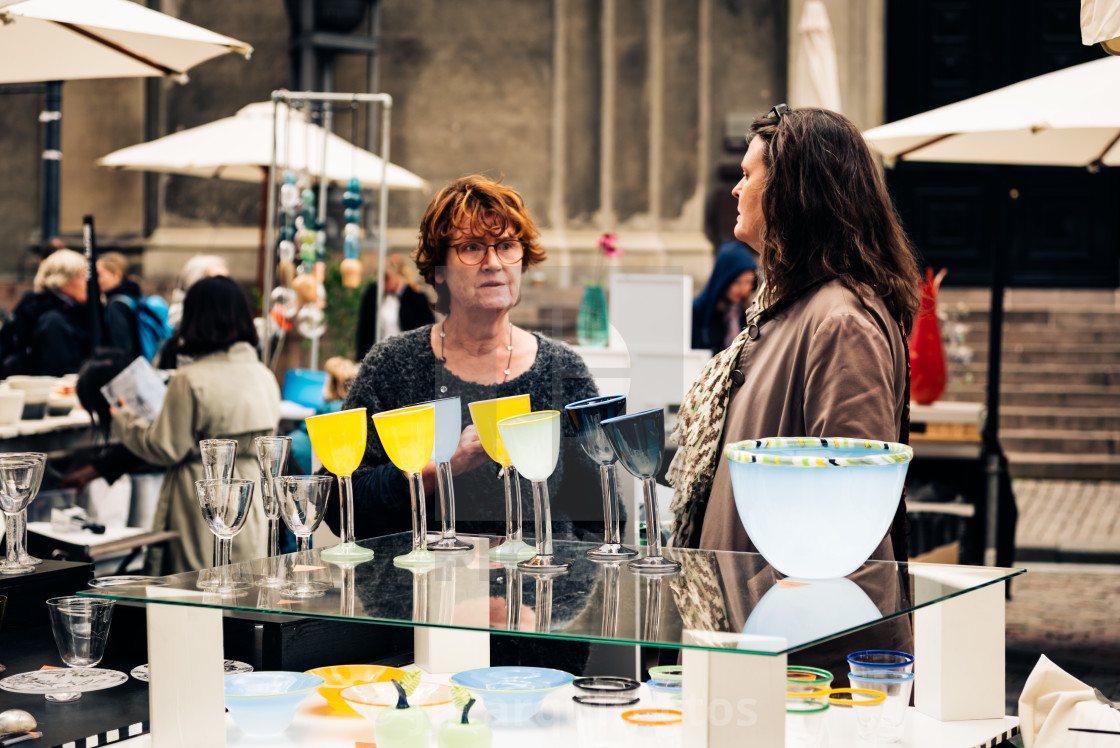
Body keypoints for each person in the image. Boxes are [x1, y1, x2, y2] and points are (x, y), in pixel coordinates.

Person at [667, 106, 922, 675]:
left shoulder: (842, 320)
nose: (735, 188)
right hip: (757, 633)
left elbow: (848, 506)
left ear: (794, 192)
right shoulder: (786, 308)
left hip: (809, 653)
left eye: (749, 174)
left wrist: (768, 627)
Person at [326, 174, 603, 545]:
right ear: (439, 269)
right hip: (419, 595)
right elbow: (340, 505)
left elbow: (598, 521)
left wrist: (545, 600)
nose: (493, 262)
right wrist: (439, 467)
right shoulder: (391, 366)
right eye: (472, 247)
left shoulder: (563, 370)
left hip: (534, 595)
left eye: (506, 245)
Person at [112, 276, 281, 575]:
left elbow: (165, 448)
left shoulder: (189, 379)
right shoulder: (263, 374)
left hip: (201, 495)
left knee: (198, 591)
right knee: (246, 586)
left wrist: (124, 419)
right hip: (251, 494)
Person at [0, 248, 91, 377]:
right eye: (81, 276)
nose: (88, 283)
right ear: (63, 281)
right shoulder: (53, 320)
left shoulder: (66, 310)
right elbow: (61, 372)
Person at [355, 253, 435, 358]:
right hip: (378, 355)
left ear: (398, 275)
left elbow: (426, 327)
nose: (384, 283)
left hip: (406, 356)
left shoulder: (415, 297)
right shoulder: (373, 295)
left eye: (387, 278)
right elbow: (364, 329)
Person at [691, 239, 759, 356]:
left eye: (748, 281)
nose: (743, 288)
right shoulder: (698, 312)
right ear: (723, 280)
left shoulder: (749, 313)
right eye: (737, 282)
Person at [97, 252, 144, 357]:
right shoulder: (132, 296)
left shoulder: (117, 305)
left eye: (100, 274)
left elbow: (122, 347)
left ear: (117, 275)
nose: (96, 280)